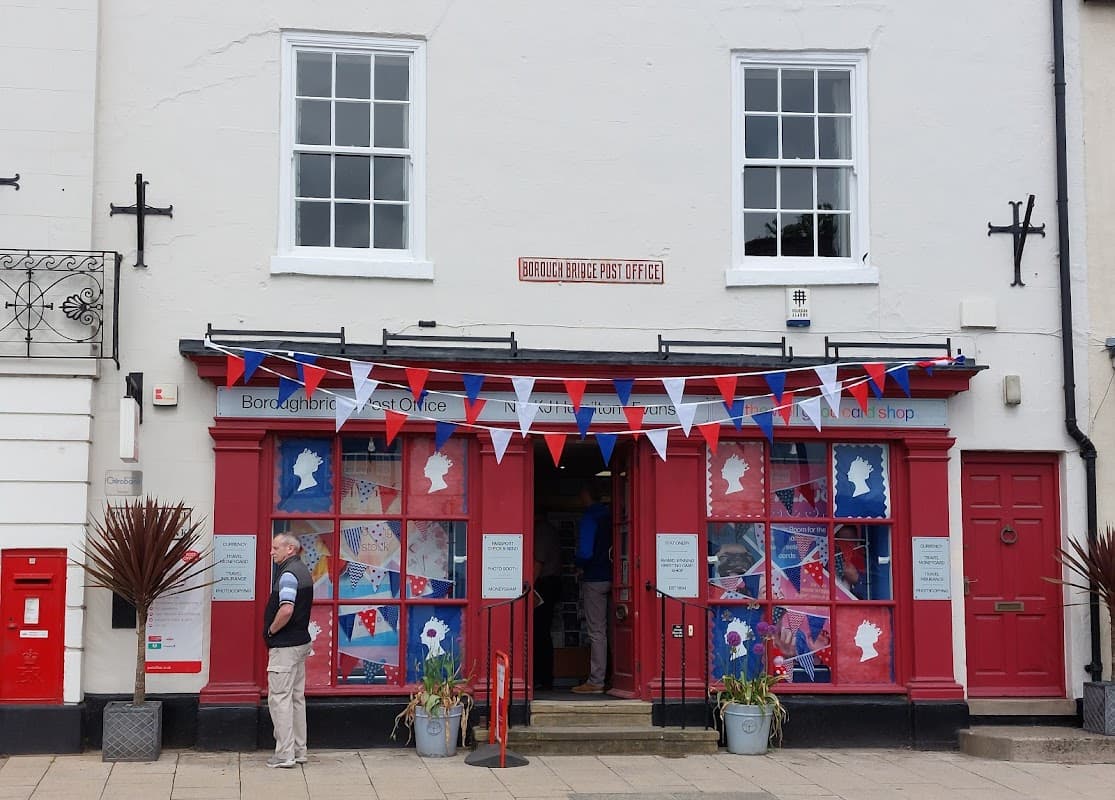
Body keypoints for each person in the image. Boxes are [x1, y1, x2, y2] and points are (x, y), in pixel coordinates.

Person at [263, 533, 314, 768]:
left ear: (290, 549)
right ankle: (299, 750)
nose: (272, 552)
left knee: (280, 699)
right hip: (300, 643)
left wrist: (271, 631)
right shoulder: (302, 570)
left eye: (276, 548)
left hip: (285, 646)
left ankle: (285, 754)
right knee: (296, 698)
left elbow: (286, 610)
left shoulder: (288, 575)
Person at [572, 483, 612, 694]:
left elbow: (585, 553)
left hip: (595, 578)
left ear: (586, 495)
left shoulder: (590, 517)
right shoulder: (610, 515)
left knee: (597, 631)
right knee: (613, 630)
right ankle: (616, 678)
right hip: (618, 577)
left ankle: (596, 681)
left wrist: (577, 563)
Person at [532, 510, 563, 691]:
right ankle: (543, 678)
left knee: (539, 632)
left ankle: (542, 679)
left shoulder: (542, 531)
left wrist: (528, 586)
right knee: (541, 631)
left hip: (544, 586)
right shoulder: (548, 530)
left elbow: (538, 562)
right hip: (548, 584)